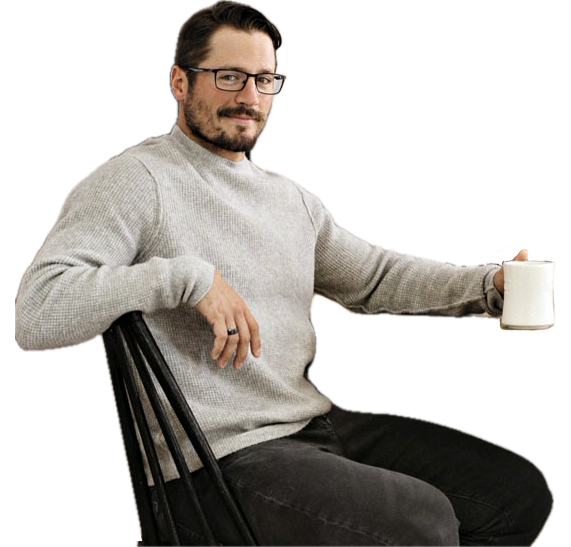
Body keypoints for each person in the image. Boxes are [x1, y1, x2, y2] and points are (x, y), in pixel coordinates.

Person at [14, 1, 552, 546]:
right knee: (420, 520)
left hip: (309, 424)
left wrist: (489, 285)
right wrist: (187, 278)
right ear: (180, 81)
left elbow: (374, 276)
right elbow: (37, 313)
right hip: (212, 464)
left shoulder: (286, 197)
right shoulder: (135, 180)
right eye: (229, 77)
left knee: (516, 494)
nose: (249, 97)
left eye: (265, 79)